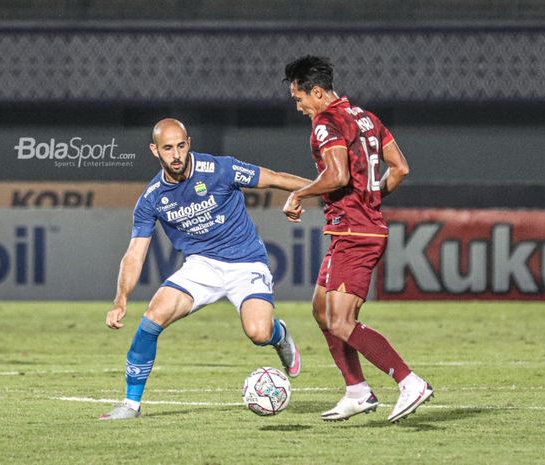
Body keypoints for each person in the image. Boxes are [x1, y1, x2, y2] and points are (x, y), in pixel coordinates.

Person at [100, 118, 309, 420]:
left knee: (258, 332)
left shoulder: (219, 169)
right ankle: (130, 405)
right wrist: (121, 299)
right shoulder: (152, 198)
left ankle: (279, 335)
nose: (176, 155)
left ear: (189, 144)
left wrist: (325, 188)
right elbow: (135, 253)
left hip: (245, 261)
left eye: (181, 146)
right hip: (201, 266)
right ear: (154, 150)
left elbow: (273, 178)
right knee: (152, 317)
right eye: (168, 148)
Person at [282, 55, 434, 423]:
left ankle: (409, 382)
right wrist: (371, 198)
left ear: (317, 92)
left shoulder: (326, 121)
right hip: (351, 228)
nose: (300, 107)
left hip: (355, 233)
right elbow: (400, 167)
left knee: (341, 321)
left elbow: (335, 176)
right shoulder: (365, 117)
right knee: (321, 309)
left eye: (300, 98)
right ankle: (357, 391)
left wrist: (300, 194)